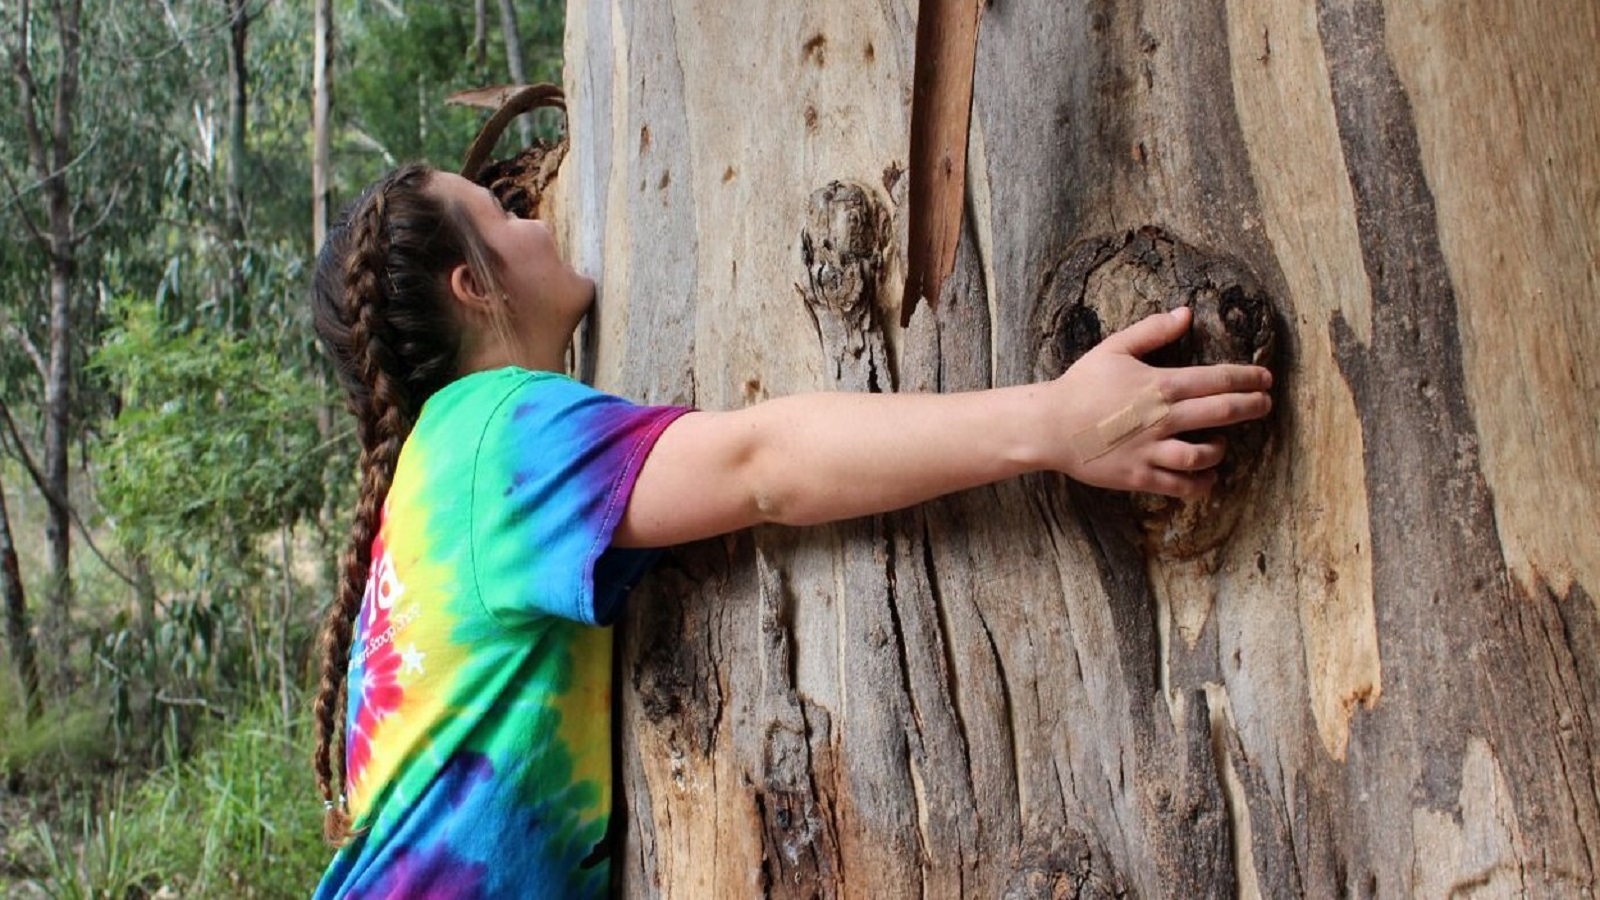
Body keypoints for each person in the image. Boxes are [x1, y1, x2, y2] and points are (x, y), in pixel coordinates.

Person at [308, 162, 1273, 898]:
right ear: (473, 286)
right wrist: (1055, 423)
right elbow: (761, 468)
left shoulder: (441, 476)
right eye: (504, 215)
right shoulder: (491, 437)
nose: (540, 217)